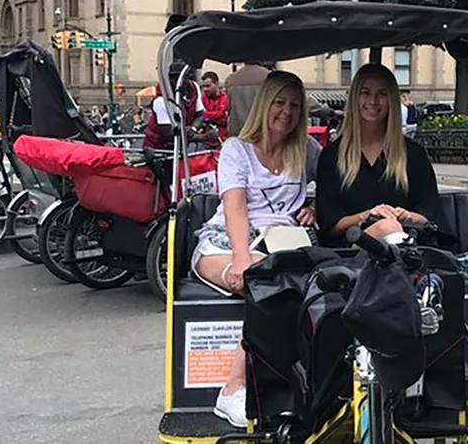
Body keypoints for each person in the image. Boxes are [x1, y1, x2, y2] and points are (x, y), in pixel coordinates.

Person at [189, 71, 322, 428]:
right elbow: (234, 206)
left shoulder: (306, 149)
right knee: (268, 280)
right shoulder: (237, 149)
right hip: (226, 243)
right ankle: (233, 388)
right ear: (265, 105)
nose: (287, 112)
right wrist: (242, 257)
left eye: (295, 105)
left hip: (281, 248)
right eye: (279, 102)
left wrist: (316, 205)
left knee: (294, 281)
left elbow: (334, 184)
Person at [316, 64, 447, 245]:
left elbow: (431, 216)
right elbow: (330, 225)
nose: (373, 101)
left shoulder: (413, 153)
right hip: (351, 253)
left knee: (391, 228)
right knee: (386, 227)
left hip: (410, 241)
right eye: (365, 93)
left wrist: (408, 217)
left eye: (382, 94)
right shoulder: (332, 156)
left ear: (391, 100)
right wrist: (367, 215)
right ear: (355, 98)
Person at [226, 61, 341, 137]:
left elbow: (229, 110)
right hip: (266, 136)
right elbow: (303, 102)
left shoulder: (231, 80)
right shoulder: (271, 78)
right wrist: (331, 112)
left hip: (239, 134)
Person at [200, 71, 230, 138]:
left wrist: (206, 115)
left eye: (208, 86)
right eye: (203, 87)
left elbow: (220, 114)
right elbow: (200, 115)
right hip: (206, 137)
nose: (205, 89)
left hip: (223, 137)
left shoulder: (224, 98)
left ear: (216, 84)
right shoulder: (203, 98)